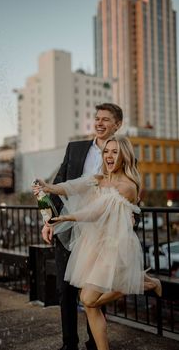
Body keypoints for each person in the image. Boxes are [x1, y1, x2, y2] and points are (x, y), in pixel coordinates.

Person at [34, 135, 162, 350]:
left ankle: (146, 283)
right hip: (93, 244)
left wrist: (66, 218)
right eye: (106, 151)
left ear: (124, 156)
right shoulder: (100, 178)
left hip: (114, 244)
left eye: (115, 152)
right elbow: (72, 186)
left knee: (88, 298)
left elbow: (96, 212)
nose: (109, 156)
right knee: (90, 306)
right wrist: (48, 187)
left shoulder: (127, 186)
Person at [34, 103, 123, 350]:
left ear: (117, 125)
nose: (100, 123)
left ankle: (95, 344)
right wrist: (47, 221)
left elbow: (128, 189)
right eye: (97, 118)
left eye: (106, 119)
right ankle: (68, 344)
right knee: (65, 290)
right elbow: (56, 186)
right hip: (68, 229)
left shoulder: (121, 152)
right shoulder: (75, 149)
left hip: (100, 233)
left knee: (93, 293)